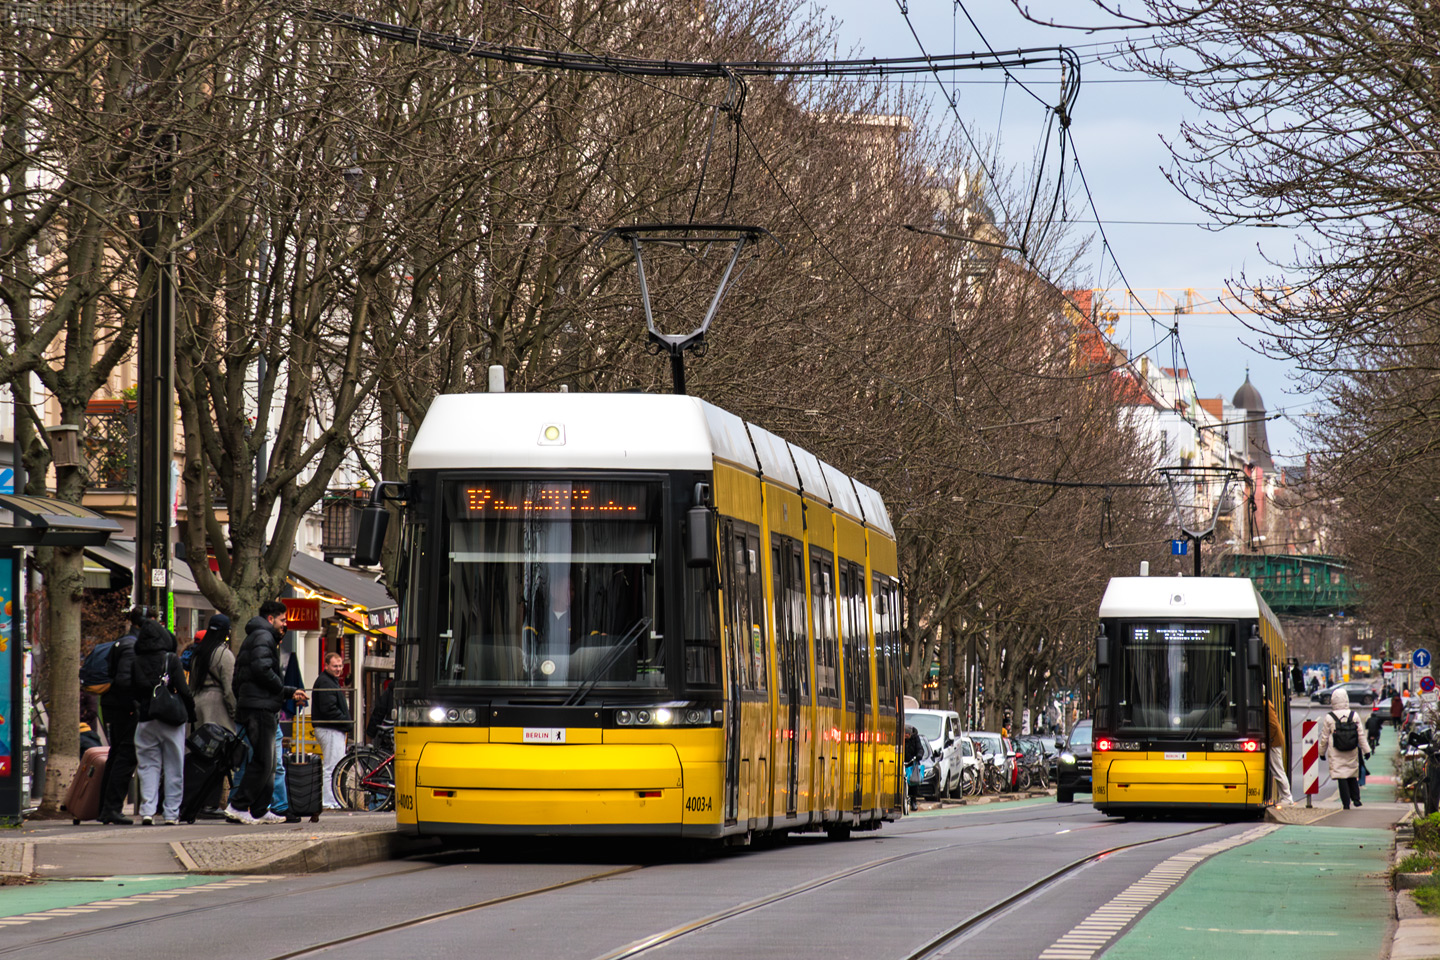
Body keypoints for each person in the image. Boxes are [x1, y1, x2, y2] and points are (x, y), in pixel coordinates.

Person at [225, 600, 307, 825]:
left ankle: (260, 809)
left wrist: (287, 692)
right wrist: (281, 689)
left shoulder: (257, 637)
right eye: (282, 620)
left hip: (255, 704)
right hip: (259, 708)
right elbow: (262, 670)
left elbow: (241, 678)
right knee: (263, 761)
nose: (284, 625)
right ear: (271, 619)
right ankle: (238, 805)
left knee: (268, 762)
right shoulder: (264, 636)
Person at [130, 618, 197, 825]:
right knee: (174, 767)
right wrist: (190, 712)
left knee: (147, 766)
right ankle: (171, 813)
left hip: (146, 718)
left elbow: (133, 690)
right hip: (171, 719)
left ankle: (147, 810)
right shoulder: (170, 659)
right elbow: (183, 689)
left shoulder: (136, 661)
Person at [98, 607, 150, 825]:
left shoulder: (122, 642)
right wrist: (135, 704)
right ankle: (112, 807)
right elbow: (124, 680)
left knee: (117, 754)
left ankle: (105, 807)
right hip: (125, 708)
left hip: (115, 706)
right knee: (126, 756)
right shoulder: (132, 646)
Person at [1319, 687, 1371, 810]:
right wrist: (1366, 750)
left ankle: (1346, 803)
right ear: (1346, 699)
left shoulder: (1329, 717)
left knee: (1341, 777)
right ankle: (1356, 799)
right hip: (1351, 750)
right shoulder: (1354, 715)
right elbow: (1361, 735)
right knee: (1352, 774)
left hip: (1336, 751)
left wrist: (1321, 752)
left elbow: (1324, 737)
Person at [312, 652, 351, 810]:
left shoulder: (329, 681)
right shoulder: (326, 682)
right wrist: (346, 722)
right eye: (335, 666)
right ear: (326, 665)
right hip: (330, 729)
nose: (338, 669)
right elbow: (329, 709)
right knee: (332, 766)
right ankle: (329, 801)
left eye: (340, 666)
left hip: (331, 728)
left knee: (334, 765)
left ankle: (332, 800)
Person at [1265, 699, 1295, 805]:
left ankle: (1287, 798)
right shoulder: (1265, 703)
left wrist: (1270, 739)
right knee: (1278, 769)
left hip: (1273, 742)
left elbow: (1272, 725)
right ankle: (1286, 797)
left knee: (1278, 770)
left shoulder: (1264, 704)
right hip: (1274, 740)